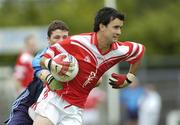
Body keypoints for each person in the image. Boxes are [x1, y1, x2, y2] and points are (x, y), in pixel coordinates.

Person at [31, 7, 145, 125]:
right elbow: (43, 59)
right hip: (54, 98)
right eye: (115, 27)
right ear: (102, 26)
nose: (119, 32)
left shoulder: (120, 50)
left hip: (75, 109)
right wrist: (53, 65)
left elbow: (139, 51)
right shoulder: (77, 41)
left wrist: (128, 78)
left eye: (120, 27)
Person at [5, 20, 70, 125]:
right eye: (57, 37)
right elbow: (19, 76)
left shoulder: (73, 59)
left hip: (52, 107)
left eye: (64, 37)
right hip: (31, 100)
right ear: (48, 40)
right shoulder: (30, 58)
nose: (61, 41)